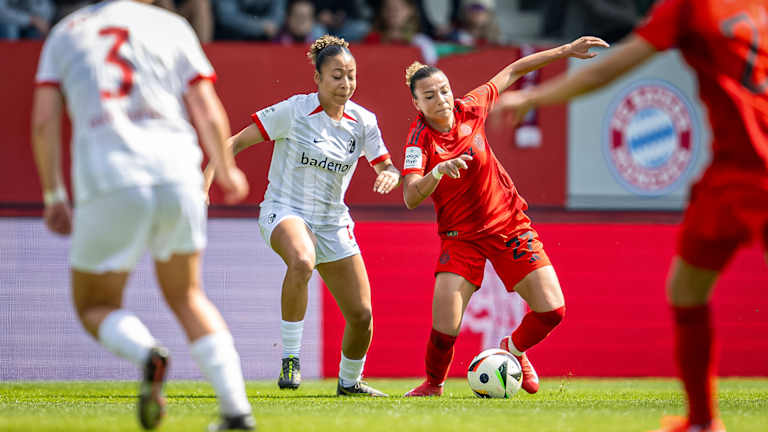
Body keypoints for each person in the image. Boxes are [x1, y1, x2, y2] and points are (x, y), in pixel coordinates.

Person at [494, 1, 768, 430]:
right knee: (685, 288)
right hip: (728, 170)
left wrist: (534, 96)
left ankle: (701, 420)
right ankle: (701, 421)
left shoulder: (690, 7)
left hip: (751, 166)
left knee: (686, 292)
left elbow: (610, 67)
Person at [31, 0, 255, 430]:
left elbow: (44, 121)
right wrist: (226, 171)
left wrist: (53, 193)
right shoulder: (170, 25)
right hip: (178, 174)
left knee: (95, 304)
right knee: (188, 295)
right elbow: (205, 107)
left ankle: (147, 354)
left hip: (110, 177)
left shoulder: (66, 32)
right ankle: (236, 412)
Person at [399, 35, 608, 397]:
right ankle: (433, 386)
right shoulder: (419, 141)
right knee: (445, 326)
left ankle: (513, 350)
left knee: (552, 311)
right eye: (430, 96)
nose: (442, 100)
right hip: (459, 237)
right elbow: (409, 197)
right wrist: (437, 172)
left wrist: (565, 51)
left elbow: (512, 71)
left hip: (508, 223)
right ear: (416, 102)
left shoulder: (472, 107)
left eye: (444, 91)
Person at [204, 35, 401, 396]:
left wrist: (390, 173)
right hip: (284, 210)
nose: (345, 84)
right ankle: (291, 359)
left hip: (332, 222)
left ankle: (349, 382)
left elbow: (385, 164)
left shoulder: (364, 122)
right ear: (318, 79)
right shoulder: (294, 111)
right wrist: (204, 185)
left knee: (362, 316)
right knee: (302, 260)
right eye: (336, 76)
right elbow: (233, 143)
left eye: (351, 76)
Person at [213, 0, 285, 41]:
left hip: (265, 43)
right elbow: (227, 17)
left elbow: (277, 20)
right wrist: (261, 27)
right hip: (229, 42)